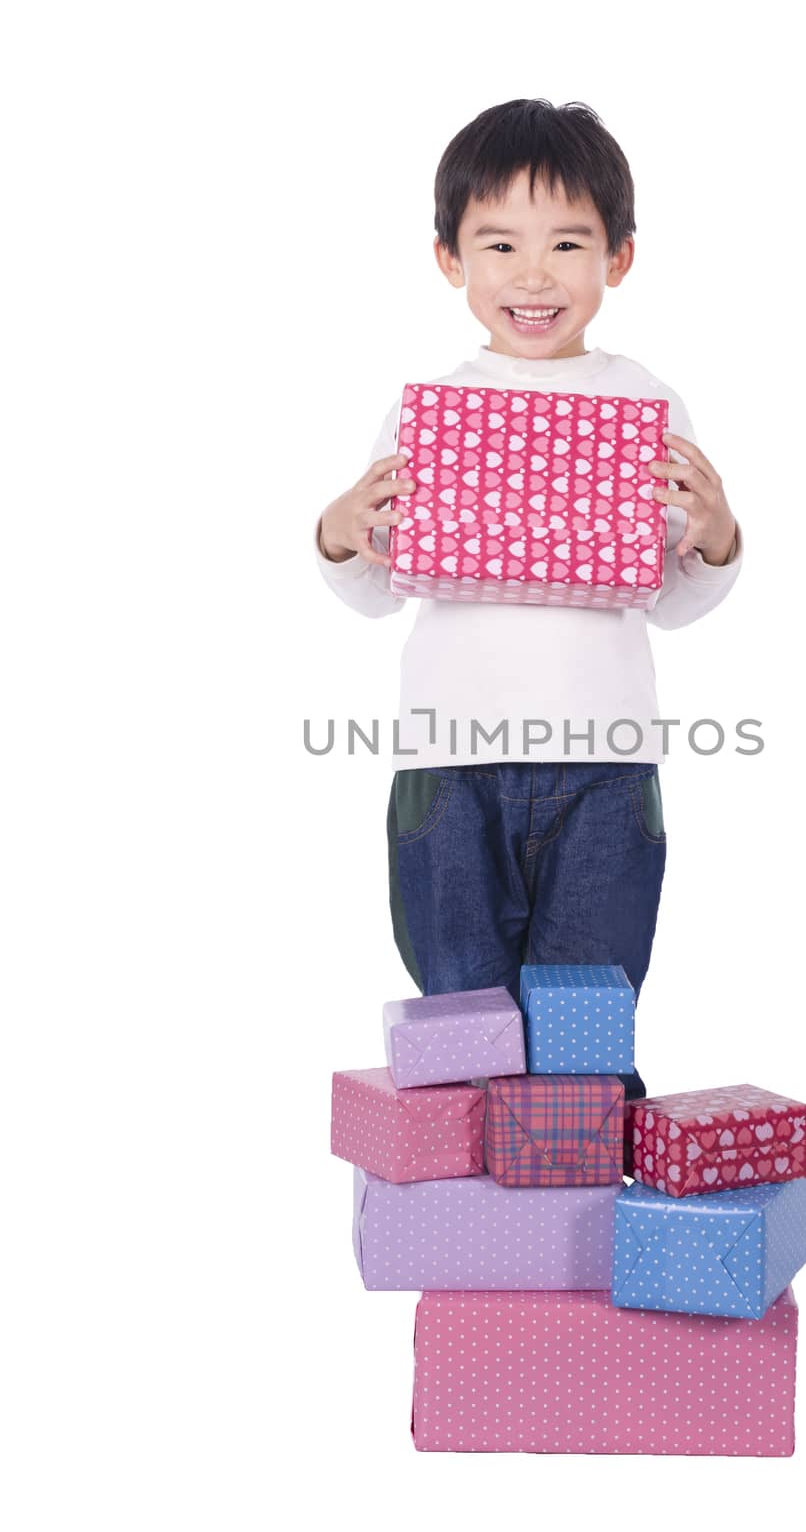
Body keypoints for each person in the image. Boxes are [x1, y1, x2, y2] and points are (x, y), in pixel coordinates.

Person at [314, 99, 743, 1098]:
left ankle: (582, 1230)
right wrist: (339, 529)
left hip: (604, 763)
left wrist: (716, 538)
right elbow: (376, 589)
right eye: (499, 242)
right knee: (460, 1011)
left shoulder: (645, 399)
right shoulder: (425, 403)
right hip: (448, 760)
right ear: (449, 257)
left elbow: (668, 599)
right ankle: (475, 1240)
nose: (534, 273)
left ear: (618, 259)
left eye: (568, 242)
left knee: (585, 1011)